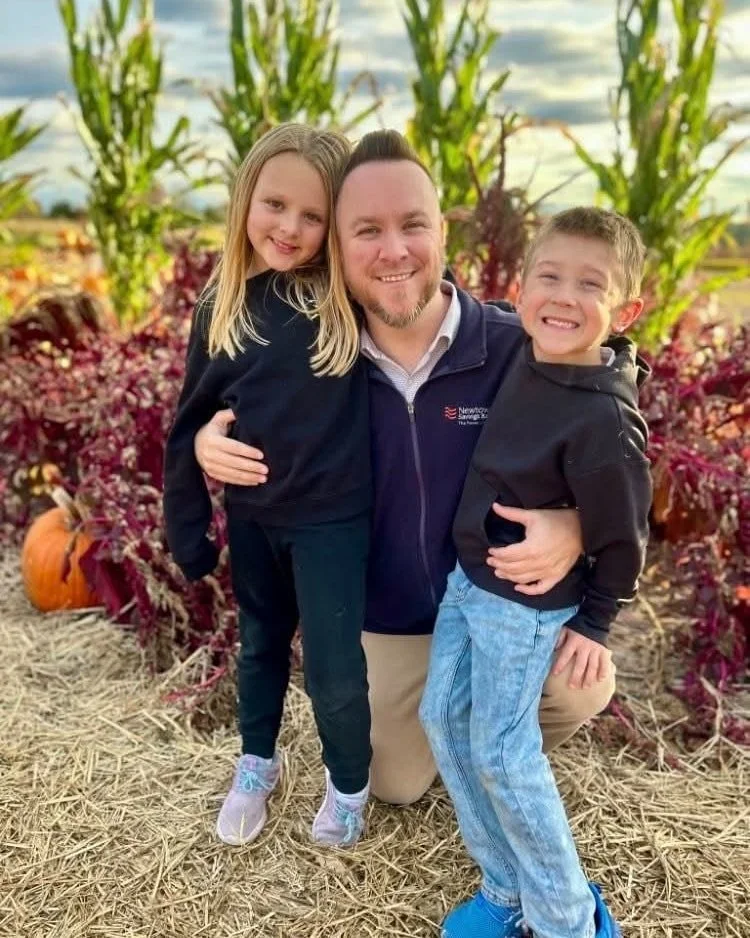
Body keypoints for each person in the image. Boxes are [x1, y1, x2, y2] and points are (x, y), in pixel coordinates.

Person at [193, 130, 615, 814]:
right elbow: (230, 395)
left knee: (577, 686)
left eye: (412, 225)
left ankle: (488, 744)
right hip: (391, 621)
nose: (393, 251)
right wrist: (204, 442)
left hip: (495, 604)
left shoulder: (514, 348)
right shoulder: (320, 361)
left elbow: (614, 383)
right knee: (392, 783)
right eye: (367, 231)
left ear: (442, 230)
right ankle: (454, 736)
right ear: (336, 247)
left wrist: (577, 524)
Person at [419, 207, 652, 938]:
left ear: (626, 311)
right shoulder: (526, 347)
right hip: (468, 581)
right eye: (549, 277)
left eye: (590, 284)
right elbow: (453, 303)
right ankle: (505, 887)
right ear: (521, 291)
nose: (563, 297)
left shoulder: (605, 419)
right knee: (440, 718)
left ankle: (566, 919)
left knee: (502, 753)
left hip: (524, 605)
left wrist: (595, 622)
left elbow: (626, 533)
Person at [163, 123, 374, 849]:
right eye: (275, 205)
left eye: (313, 215)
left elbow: (442, 314)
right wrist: (190, 527)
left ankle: (349, 786)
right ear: (246, 197)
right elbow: (191, 418)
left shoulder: (344, 298)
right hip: (252, 515)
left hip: (334, 522)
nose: (289, 227)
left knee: (335, 670)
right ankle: (257, 761)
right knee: (258, 647)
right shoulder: (220, 305)